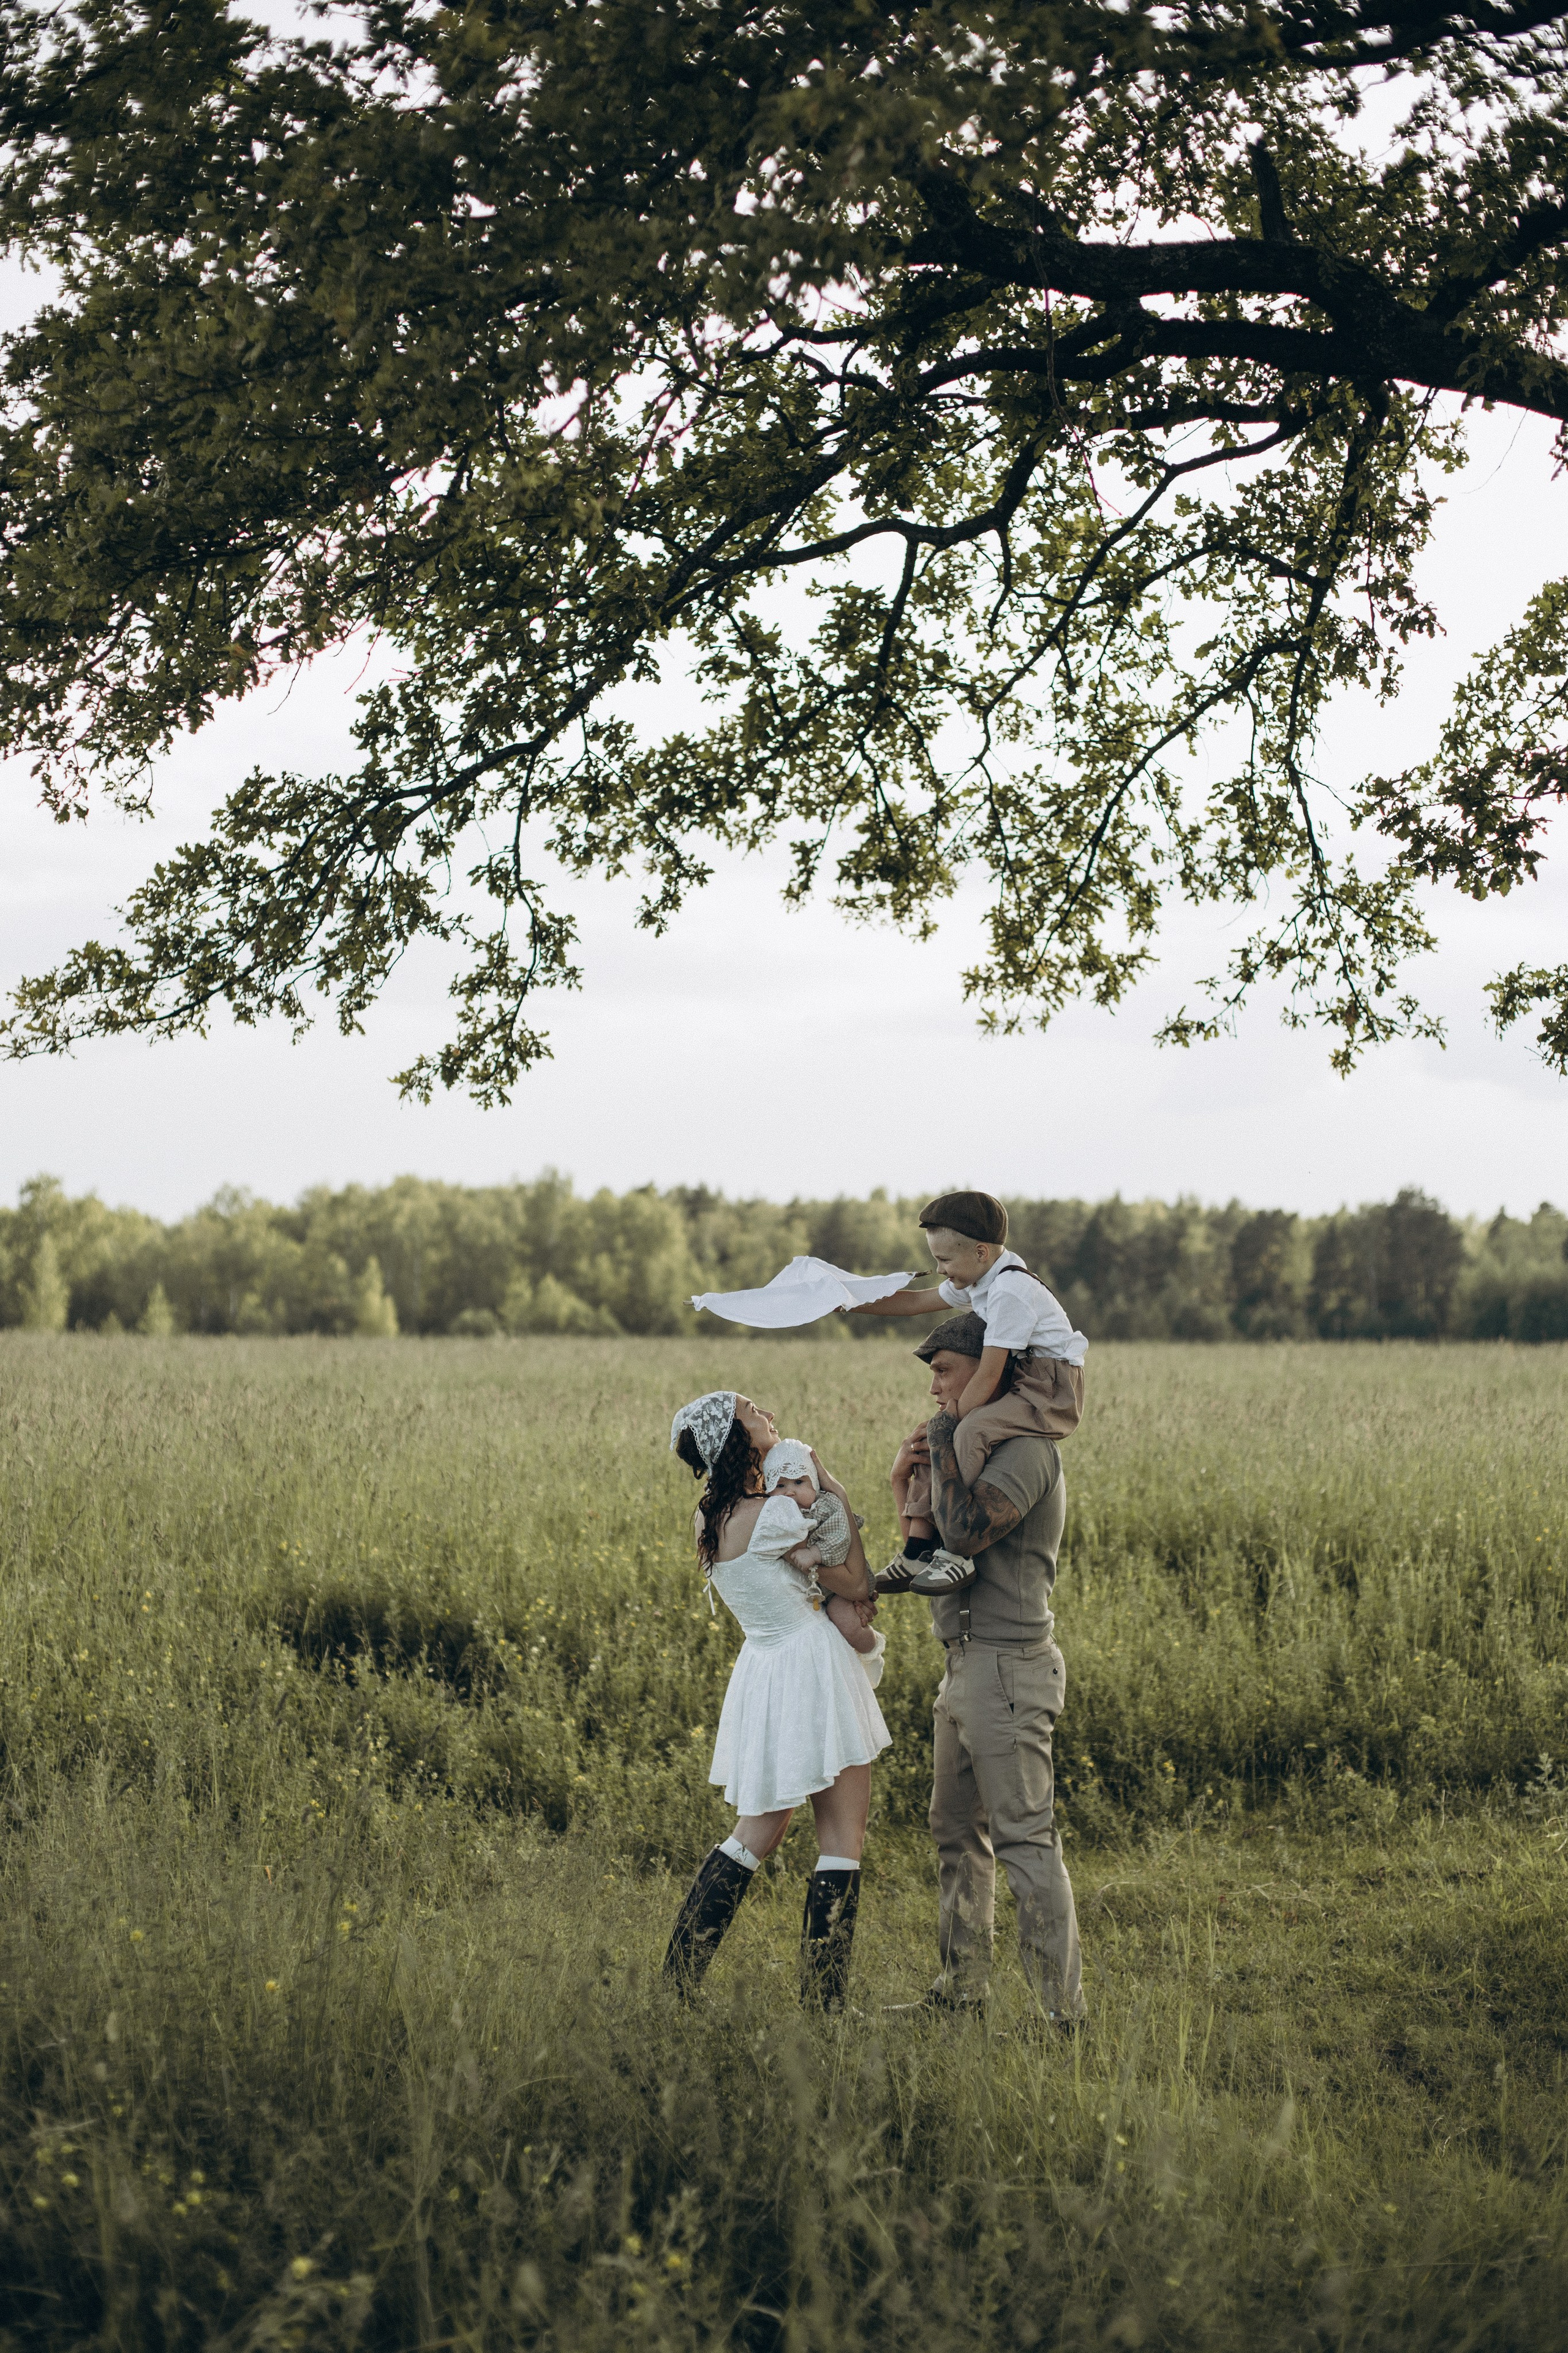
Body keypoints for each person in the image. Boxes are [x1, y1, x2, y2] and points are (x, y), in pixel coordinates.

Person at [881, 1315, 1086, 2028]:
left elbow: (966, 1532)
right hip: (962, 1666)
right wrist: (903, 1482)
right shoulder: (963, 1449)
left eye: (944, 1370)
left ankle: (1064, 2020)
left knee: (1025, 1838)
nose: (934, 1387)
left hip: (1009, 1667)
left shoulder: (1025, 1452)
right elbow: (927, 1567)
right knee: (955, 1832)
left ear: (988, 1371)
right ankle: (959, 1994)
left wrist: (938, 1444)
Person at [663, 1391, 889, 2011]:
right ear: (736, 1438)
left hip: (764, 1671)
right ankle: (823, 2005)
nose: (764, 1408)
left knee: (753, 1834)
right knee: (842, 1835)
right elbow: (854, 1578)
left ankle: (677, 1980)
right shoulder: (776, 1513)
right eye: (749, 1409)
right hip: (811, 1667)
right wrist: (828, 1478)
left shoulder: (712, 1518)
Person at [850, 1191, 1087, 1582]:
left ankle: (956, 1553)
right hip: (1024, 1378)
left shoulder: (1012, 1292)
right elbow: (912, 1303)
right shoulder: (980, 1280)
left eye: (944, 1260)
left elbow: (989, 1374)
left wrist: (952, 1422)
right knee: (936, 1433)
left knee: (966, 1429)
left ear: (980, 1252)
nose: (940, 1270)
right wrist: (846, 1302)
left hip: (1050, 1389)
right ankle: (917, 1550)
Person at [761, 1437, 886, 1683]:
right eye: (780, 1485)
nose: (791, 1491)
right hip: (812, 1595)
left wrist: (815, 1554)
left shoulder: (826, 1507)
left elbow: (841, 1538)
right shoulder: (773, 1515)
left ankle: (871, 1652)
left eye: (799, 1482)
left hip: (840, 1584)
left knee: (847, 1622)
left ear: (815, 1483)